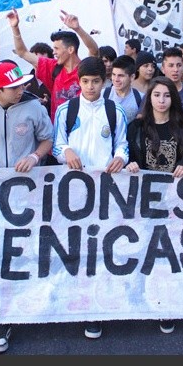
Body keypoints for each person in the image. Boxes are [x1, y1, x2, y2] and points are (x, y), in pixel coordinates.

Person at [0, 60, 53, 353]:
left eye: (22, 84)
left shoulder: (34, 107)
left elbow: (46, 140)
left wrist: (35, 158)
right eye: (14, 87)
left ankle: (29, 302)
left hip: (26, 193)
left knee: (26, 249)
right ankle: (0, 317)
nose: (21, 90)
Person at [52, 56, 128, 340]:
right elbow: (57, 143)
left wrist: (120, 157)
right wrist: (65, 152)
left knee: (100, 245)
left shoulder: (114, 111)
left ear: (104, 81)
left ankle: (96, 307)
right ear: (78, 82)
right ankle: (71, 298)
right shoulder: (66, 110)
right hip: (72, 190)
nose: (91, 87)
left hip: (104, 189)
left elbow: (122, 143)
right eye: (85, 81)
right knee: (73, 243)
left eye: (96, 81)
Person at [125, 76, 183, 335]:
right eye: (157, 95)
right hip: (144, 202)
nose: (162, 100)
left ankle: (165, 305)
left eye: (166, 95)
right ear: (149, 98)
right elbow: (128, 155)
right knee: (144, 252)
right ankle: (140, 300)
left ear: (173, 98)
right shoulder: (137, 128)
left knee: (169, 255)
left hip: (175, 203)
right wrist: (129, 165)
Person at [7, 8, 98, 121]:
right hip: (58, 132)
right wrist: (15, 28)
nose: (53, 52)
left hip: (82, 131)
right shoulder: (53, 67)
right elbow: (23, 52)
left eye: (56, 49)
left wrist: (77, 29)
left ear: (70, 49)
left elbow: (94, 51)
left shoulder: (85, 69)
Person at [104, 55, 143, 123]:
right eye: (113, 74)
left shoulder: (141, 98)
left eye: (121, 76)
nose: (116, 79)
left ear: (132, 77)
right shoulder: (102, 94)